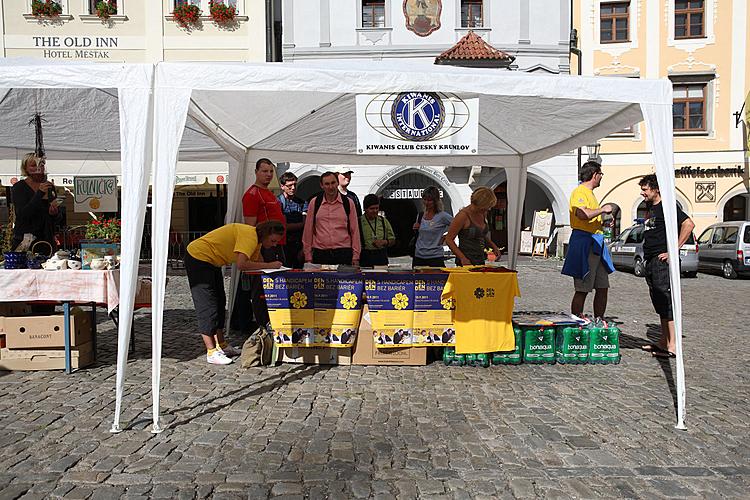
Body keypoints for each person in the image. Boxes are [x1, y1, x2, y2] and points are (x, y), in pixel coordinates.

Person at [185, 221, 285, 365]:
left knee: (220, 302)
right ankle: (211, 351)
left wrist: (272, 270)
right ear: (265, 235)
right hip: (198, 258)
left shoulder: (256, 241)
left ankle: (222, 345)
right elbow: (242, 264)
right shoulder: (250, 237)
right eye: (273, 240)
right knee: (208, 304)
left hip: (211, 261)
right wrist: (270, 266)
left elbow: (257, 263)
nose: (275, 244)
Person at [637, 174, 695, 358]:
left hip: (663, 261)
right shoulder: (650, 208)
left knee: (666, 300)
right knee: (659, 301)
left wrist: (673, 250)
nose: (642, 193)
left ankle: (672, 346)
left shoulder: (667, 206)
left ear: (656, 189)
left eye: (645, 189)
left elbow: (688, 224)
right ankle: (664, 341)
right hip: (651, 259)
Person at [561, 161, 615, 319]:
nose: (601, 178)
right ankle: (576, 320)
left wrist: (602, 220)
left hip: (596, 242)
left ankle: (600, 320)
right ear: (595, 174)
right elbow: (582, 214)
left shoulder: (590, 194)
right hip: (585, 242)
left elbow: (590, 217)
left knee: (602, 286)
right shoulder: (579, 192)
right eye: (601, 175)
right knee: (583, 287)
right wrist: (603, 209)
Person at [302, 171, 361, 266]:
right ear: (322, 186)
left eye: (333, 183)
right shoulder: (315, 202)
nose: (331, 187)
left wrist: (356, 256)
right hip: (321, 253)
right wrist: (308, 256)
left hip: (343, 252)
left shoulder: (348, 203)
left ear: (337, 183)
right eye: (327, 184)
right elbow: (308, 230)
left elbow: (354, 230)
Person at [10, 153, 61, 252]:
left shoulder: (49, 186)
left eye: (41, 165)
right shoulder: (19, 187)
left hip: (47, 241)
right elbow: (22, 215)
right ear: (26, 168)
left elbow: (57, 218)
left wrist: (54, 213)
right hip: (26, 242)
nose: (38, 168)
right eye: (33, 165)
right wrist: (39, 194)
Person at [242, 158, 286, 263]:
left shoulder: (268, 192)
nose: (269, 174)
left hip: (277, 243)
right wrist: (258, 253)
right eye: (265, 171)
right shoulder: (252, 194)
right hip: (266, 246)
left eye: (271, 171)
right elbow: (250, 228)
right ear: (256, 172)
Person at [446, 186, 502, 266]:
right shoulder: (462, 216)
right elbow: (449, 239)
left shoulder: (482, 213)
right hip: (466, 260)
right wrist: (462, 258)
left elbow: (481, 234)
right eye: (487, 207)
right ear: (480, 205)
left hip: (480, 258)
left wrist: (493, 246)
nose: (488, 209)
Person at [412, 186, 453, 267]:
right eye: (425, 199)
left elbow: (458, 225)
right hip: (419, 256)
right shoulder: (420, 215)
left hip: (435, 257)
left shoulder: (442, 216)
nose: (426, 202)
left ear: (436, 201)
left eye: (430, 200)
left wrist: (446, 237)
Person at [277, 171, 308, 269]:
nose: (293, 188)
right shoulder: (277, 202)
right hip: (283, 246)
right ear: (282, 186)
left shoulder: (302, 203)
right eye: (289, 186)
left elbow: (307, 226)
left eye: (294, 185)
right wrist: (302, 224)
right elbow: (282, 226)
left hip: (299, 245)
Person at [359, 194, 395, 267]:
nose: (375, 211)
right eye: (371, 208)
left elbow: (393, 240)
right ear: (365, 209)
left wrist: (384, 242)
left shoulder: (383, 221)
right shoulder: (358, 222)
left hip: (381, 256)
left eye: (377, 208)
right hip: (364, 257)